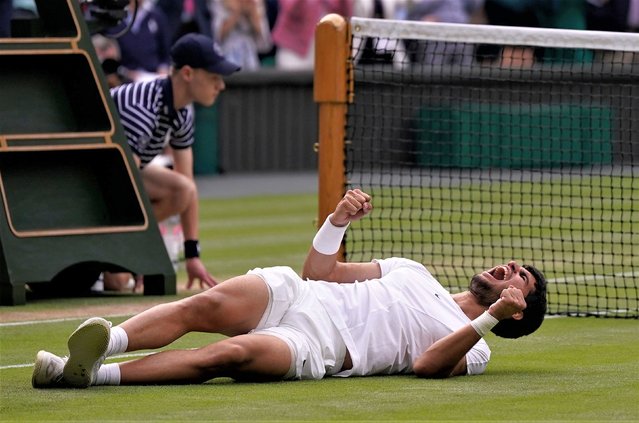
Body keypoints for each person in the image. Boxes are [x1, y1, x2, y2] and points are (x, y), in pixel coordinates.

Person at [31, 189, 548, 388]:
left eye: (519, 277)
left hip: (319, 346)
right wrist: (337, 221)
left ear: (517, 312)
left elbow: (426, 366)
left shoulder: (475, 346)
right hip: (303, 295)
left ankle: (91, 378)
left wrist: (490, 318)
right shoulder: (412, 269)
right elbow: (321, 271)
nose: (507, 268)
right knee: (205, 303)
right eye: (512, 265)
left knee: (225, 356)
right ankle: (104, 345)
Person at [107, 33, 240, 290]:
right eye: (214, 77)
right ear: (188, 74)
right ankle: (115, 248)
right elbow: (124, 186)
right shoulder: (142, 107)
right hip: (99, 180)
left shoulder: (181, 112)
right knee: (116, 279)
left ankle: (119, 251)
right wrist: (142, 253)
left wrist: (193, 256)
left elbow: (186, 187)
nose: (221, 86)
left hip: (117, 178)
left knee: (183, 189)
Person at [211, 0, 273, 71]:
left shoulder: (256, 2)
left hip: (251, 58)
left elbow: (265, 45)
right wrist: (236, 12)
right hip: (226, 54)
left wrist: (252, 14)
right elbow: (217, 37)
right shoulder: (219, 2)